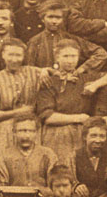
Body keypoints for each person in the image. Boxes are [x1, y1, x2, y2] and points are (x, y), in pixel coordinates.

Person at [36, 39, 93, 170]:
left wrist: (95, 85)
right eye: (65, 56)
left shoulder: (85, 78)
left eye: (73, 56)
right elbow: (48, 117)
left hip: (80, 133)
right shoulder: (49, 81)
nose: (70, 60)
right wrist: (79, 118)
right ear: (57, 57)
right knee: (59, 169)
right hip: (57, 134)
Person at [0, 38, 47, 159]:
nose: (14, 59)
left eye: (18, 55)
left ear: (24, 56)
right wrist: (17, 112)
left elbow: (57, 72)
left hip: (30, 129)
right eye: (10, 55)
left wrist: (47, 70)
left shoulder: (34, 72)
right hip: (4, 130)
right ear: (3, 55)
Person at [0, 117, 54, 194]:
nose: (26, 135)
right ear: (14, 133)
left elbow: (53, 184)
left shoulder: (48, 154)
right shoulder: (3, 156)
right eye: (21, 131)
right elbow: (1, 186)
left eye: (31, 131)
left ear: (36, 133)